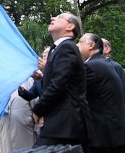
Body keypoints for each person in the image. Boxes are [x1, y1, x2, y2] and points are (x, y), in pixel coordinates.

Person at [31, 12, 90, 151]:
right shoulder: (58, 49)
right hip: (60, 123)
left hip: (65, 125)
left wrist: (38, 109)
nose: (52, 18)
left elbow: (59, 84)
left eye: (59, 17)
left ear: (70, 26)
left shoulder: (66, 47)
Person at [78, 33, 125, 153]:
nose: (77, 45)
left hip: (106, 137)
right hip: (114, 135)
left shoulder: (90, 66)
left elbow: (73, 95)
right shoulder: (102, 63)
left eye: (81, 42)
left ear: (91, 45)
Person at [0, 77, 37, 152]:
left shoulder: (28, 80)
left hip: (25, 134)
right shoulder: (1, 84)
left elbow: (37, 108)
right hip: (7, 134)